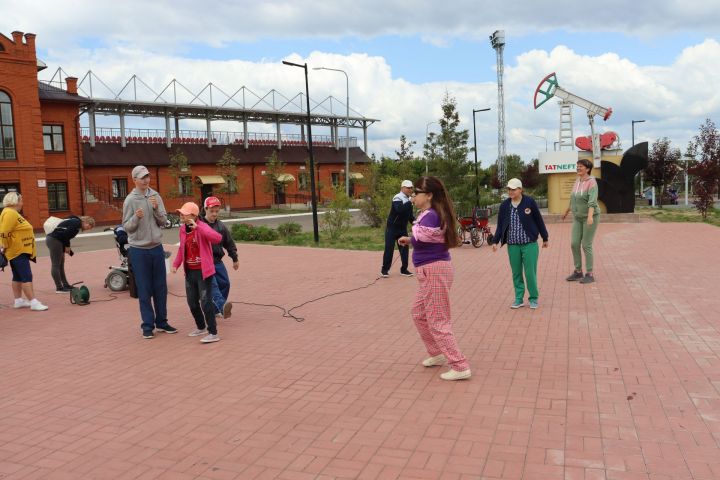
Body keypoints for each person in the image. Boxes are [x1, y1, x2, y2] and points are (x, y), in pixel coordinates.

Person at [398, 176, 470, 381]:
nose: (413, 196)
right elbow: (427, 238)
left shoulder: (430, 216)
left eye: (416, 193)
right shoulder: (428, 214)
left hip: (434, 271)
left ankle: (459, 365)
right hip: (429, 271)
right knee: (419, 313)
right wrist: (410, 240)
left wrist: (412, 235)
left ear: (428, 195)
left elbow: (423, 234)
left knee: (438, 320)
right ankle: (437, 353)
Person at [122, 165, 177, 339]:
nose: (146, 180)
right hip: (139, 250)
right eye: (142, 177)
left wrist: (155, 209)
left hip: (156, 248)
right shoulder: (130, 200)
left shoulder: (155, 196)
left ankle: (162, 322)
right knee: (144, 289)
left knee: (161, 288)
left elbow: (163, 221)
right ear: (134, 180)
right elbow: (127, 227)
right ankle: (147, 326)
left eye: (147, 176)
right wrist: (135, 217)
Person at [491, 178, 549, 309]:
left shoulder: (529, 202)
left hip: (529, 244)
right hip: (513, 245)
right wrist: (495, 240)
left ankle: (533, 298)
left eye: (514, 189)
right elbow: (500, 225)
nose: (511, 191)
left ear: (520, 189)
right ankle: (519, 298)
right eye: (509, 189)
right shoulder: (505, 205)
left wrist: (545, 237)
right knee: (516, 273)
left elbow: (539, 221)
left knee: (530, 273)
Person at [171, 202, 223, 343]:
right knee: (192, 302)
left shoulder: (202, 226)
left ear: (193, 215)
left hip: (203, 272)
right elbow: (182, 248)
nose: (181, 215)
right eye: (180, 213)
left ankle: (213, 333)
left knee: (205, 302)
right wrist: (176, 264)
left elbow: (217, 238)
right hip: (190, 272)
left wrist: (198, 228)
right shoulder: (182, 230)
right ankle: (201, 327)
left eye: (184, 213)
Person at [0, 192, 48, 311]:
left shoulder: (12, 213)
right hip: (17, 250)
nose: (22, 202)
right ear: (15, 201)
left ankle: (18, 300)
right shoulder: (10, 213)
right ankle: (33, 302)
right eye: (21, 200)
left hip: (19, 249)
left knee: (17, 276)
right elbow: (4, 232)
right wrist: (3, 247)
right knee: (26, 275)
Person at [199, 196, 239, 319]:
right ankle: (221, 307)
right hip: (205, 262)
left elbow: (229, 243)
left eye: (217, 211)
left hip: (217, 261)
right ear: (205, 209)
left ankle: (215, 308)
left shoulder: (221, 226)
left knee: (225, 283)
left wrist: (234, 258)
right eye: (212, 211)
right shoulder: (199, 225)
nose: (214, 214)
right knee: (213, 286)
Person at [562, 159, 600, 284]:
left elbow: (592, 202)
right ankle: (578, 272)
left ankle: (590, 273)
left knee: (586, 244)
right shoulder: (577, 181)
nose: (578, 168)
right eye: (577, 166)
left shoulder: (592, 182)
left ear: (588, 169)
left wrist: (590, 217)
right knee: (574, 243)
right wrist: (567, 211)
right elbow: (573, 198)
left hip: (590, 217)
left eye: (581, 166)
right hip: (577, 218)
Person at [45, 215, 95, 293]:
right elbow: (66, 235)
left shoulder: (74, 221)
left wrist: (66, 246)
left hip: (57, 240)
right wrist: (67, 246)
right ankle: (59, 288)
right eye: (89, 224)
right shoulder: (76, 223)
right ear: (85, 221)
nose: (89, 227)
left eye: (91, 227)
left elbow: (64, 233)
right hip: (55, 241)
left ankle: (65, 285)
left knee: (60, 265)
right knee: (56, 265)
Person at [381, 179, 415, 278]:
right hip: (392, 228)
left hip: (402, 228)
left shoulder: (409, 200)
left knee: (404, 249)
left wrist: (416, 223)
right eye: (408, 188)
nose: (410, 189)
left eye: (411, 188)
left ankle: (404, 270)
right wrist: (410, 202)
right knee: (389, 249)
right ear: (402, 188)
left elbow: (409, 215)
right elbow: (399, 209)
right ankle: (384, 270)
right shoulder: (397, 197)